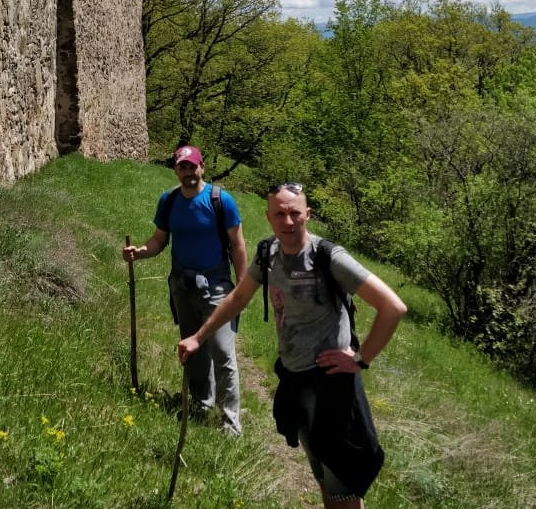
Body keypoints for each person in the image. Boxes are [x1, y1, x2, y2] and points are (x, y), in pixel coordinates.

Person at [177, 182, 407, 508]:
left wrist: (360, 359)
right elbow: (239, 296)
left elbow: (393, 307)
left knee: (343, 486)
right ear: (268, 217)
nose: (288, 221)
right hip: (294, 380)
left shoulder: (329, 257)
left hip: (332, 387)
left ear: (307, 215)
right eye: (280, 214)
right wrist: (199, 336)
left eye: (295, 213)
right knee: (323, 476)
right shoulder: (267, 254)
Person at [123, 145, 247, 435]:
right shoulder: (169, 201)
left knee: (222, 352)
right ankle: (201, 403)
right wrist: (140, 252)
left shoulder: (220, 200)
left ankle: (231, 423)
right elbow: (159, 240)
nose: (188, 172)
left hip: (216, 286)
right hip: (181, 285)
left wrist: (241, 287)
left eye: (193, 166)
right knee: (193, 350)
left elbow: (238, 244)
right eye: (183, 166)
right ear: (176, 169)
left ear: (202, 167)